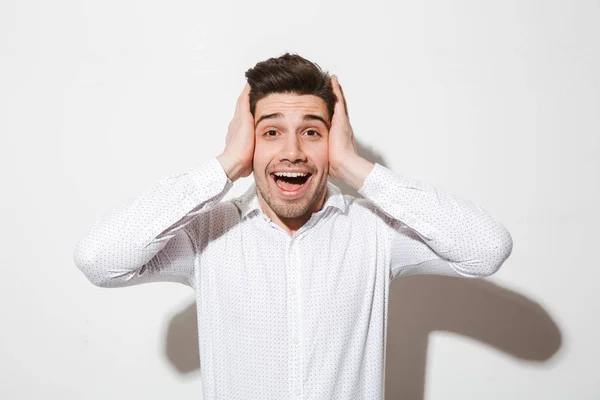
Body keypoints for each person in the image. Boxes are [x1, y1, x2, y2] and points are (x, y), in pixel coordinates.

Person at [73, 53, 513, 400]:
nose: (293, 152)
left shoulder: (374, 232)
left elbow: (486, 249)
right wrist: (225, 166)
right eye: (270, 133)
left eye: (312, 132)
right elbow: (100, 260)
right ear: (249, 144)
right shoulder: (205, 235)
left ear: (333, 143)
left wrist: (354, 167)